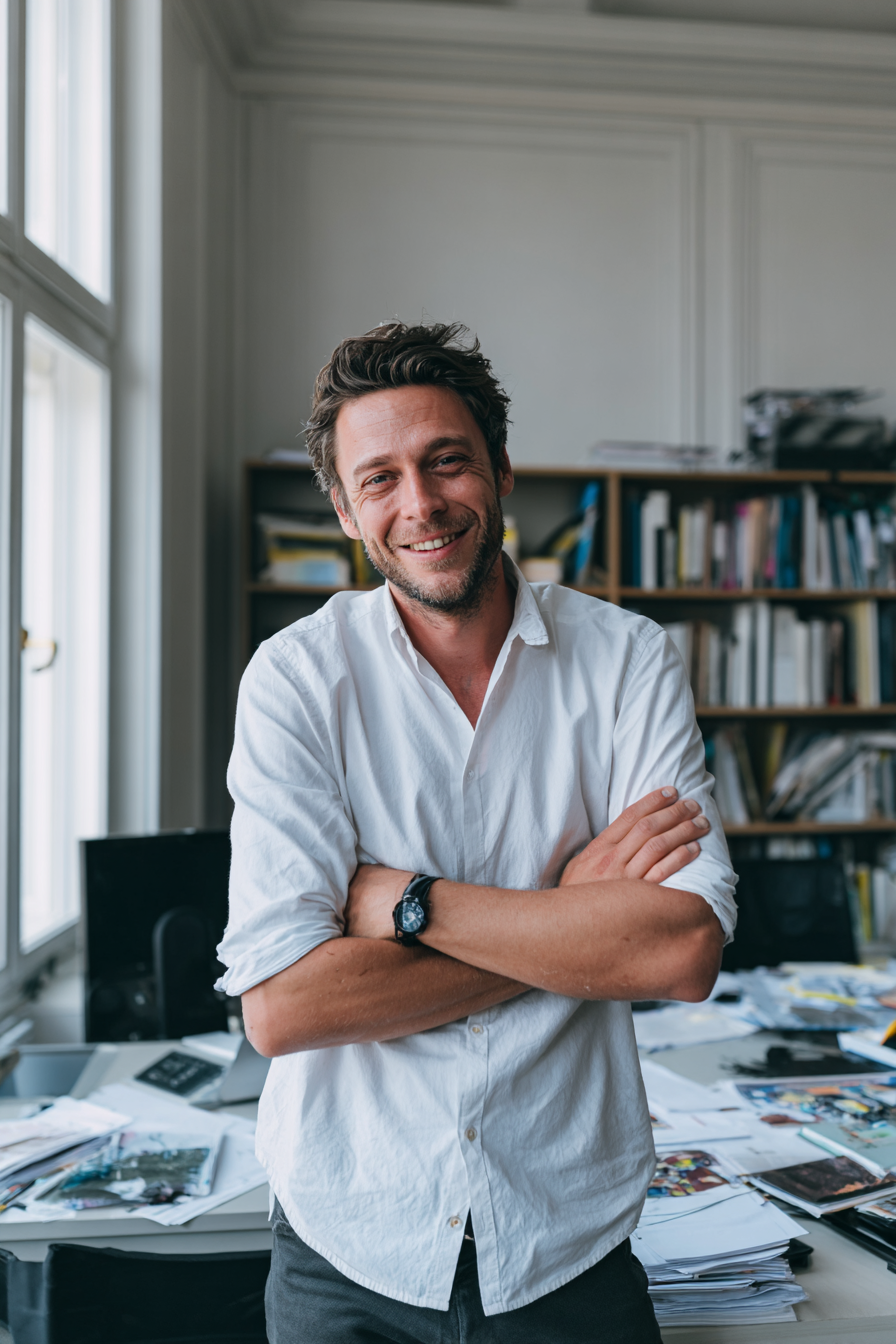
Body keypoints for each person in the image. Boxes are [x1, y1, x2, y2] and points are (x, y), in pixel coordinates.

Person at [217, 322, 737, 1343]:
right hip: (347, 1244)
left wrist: (409, 905)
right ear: (345, 510)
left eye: (446, 460)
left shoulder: (626, 660)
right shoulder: (295, 680)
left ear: (499, 470)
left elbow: (678, 952)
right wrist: (569, 917)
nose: (420, 504)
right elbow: (283, 1008)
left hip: (566, 1242)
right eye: (380, 478)